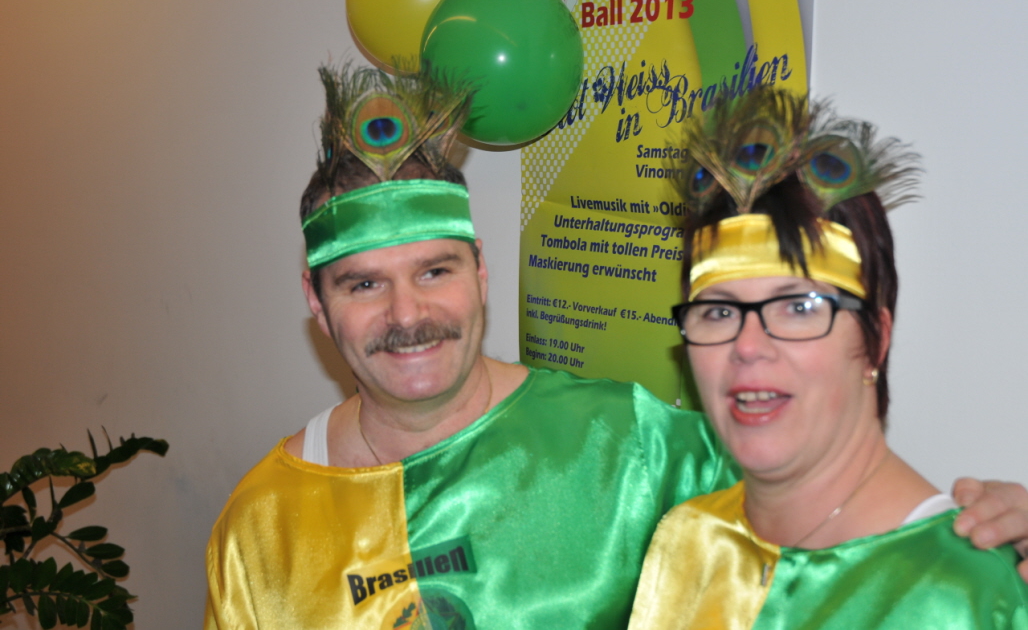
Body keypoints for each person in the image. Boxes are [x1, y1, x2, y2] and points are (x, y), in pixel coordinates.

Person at [204, 66, 1028, 630]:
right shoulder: (260, 524)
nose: (407, 314)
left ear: (481, 272)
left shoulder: (634, 448)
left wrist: (1002, 539)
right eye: (363, 284)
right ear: (316, 302)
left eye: (435, 270)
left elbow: (834, 499)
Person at [628, 88, 1028, 629]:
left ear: (876, 341)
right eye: (718, 311)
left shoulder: (966, 598)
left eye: (799, 307)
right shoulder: (689, 539)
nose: (747, 346)